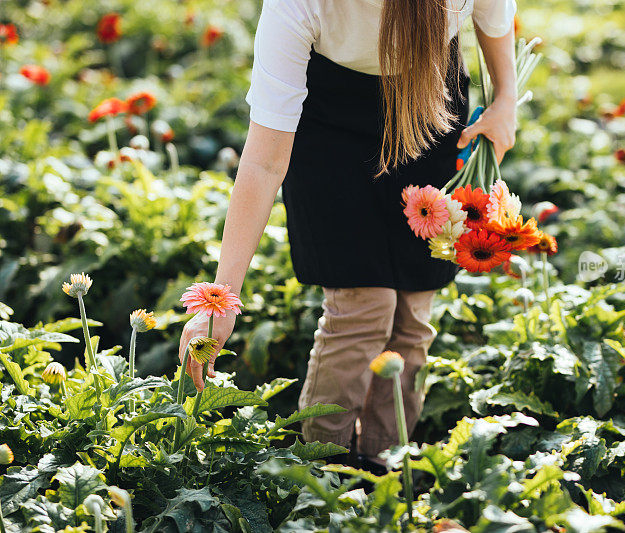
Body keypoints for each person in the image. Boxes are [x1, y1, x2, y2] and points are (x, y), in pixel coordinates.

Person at [178, 0, 518, 470]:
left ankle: (384, 475)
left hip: (429, 106)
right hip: (329, 129)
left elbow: (494, 17)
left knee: (413, 321)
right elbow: (262, 162)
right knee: (363, 308)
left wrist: (506, 101)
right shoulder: (299, 5)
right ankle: (324, 479)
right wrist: (221, 298)